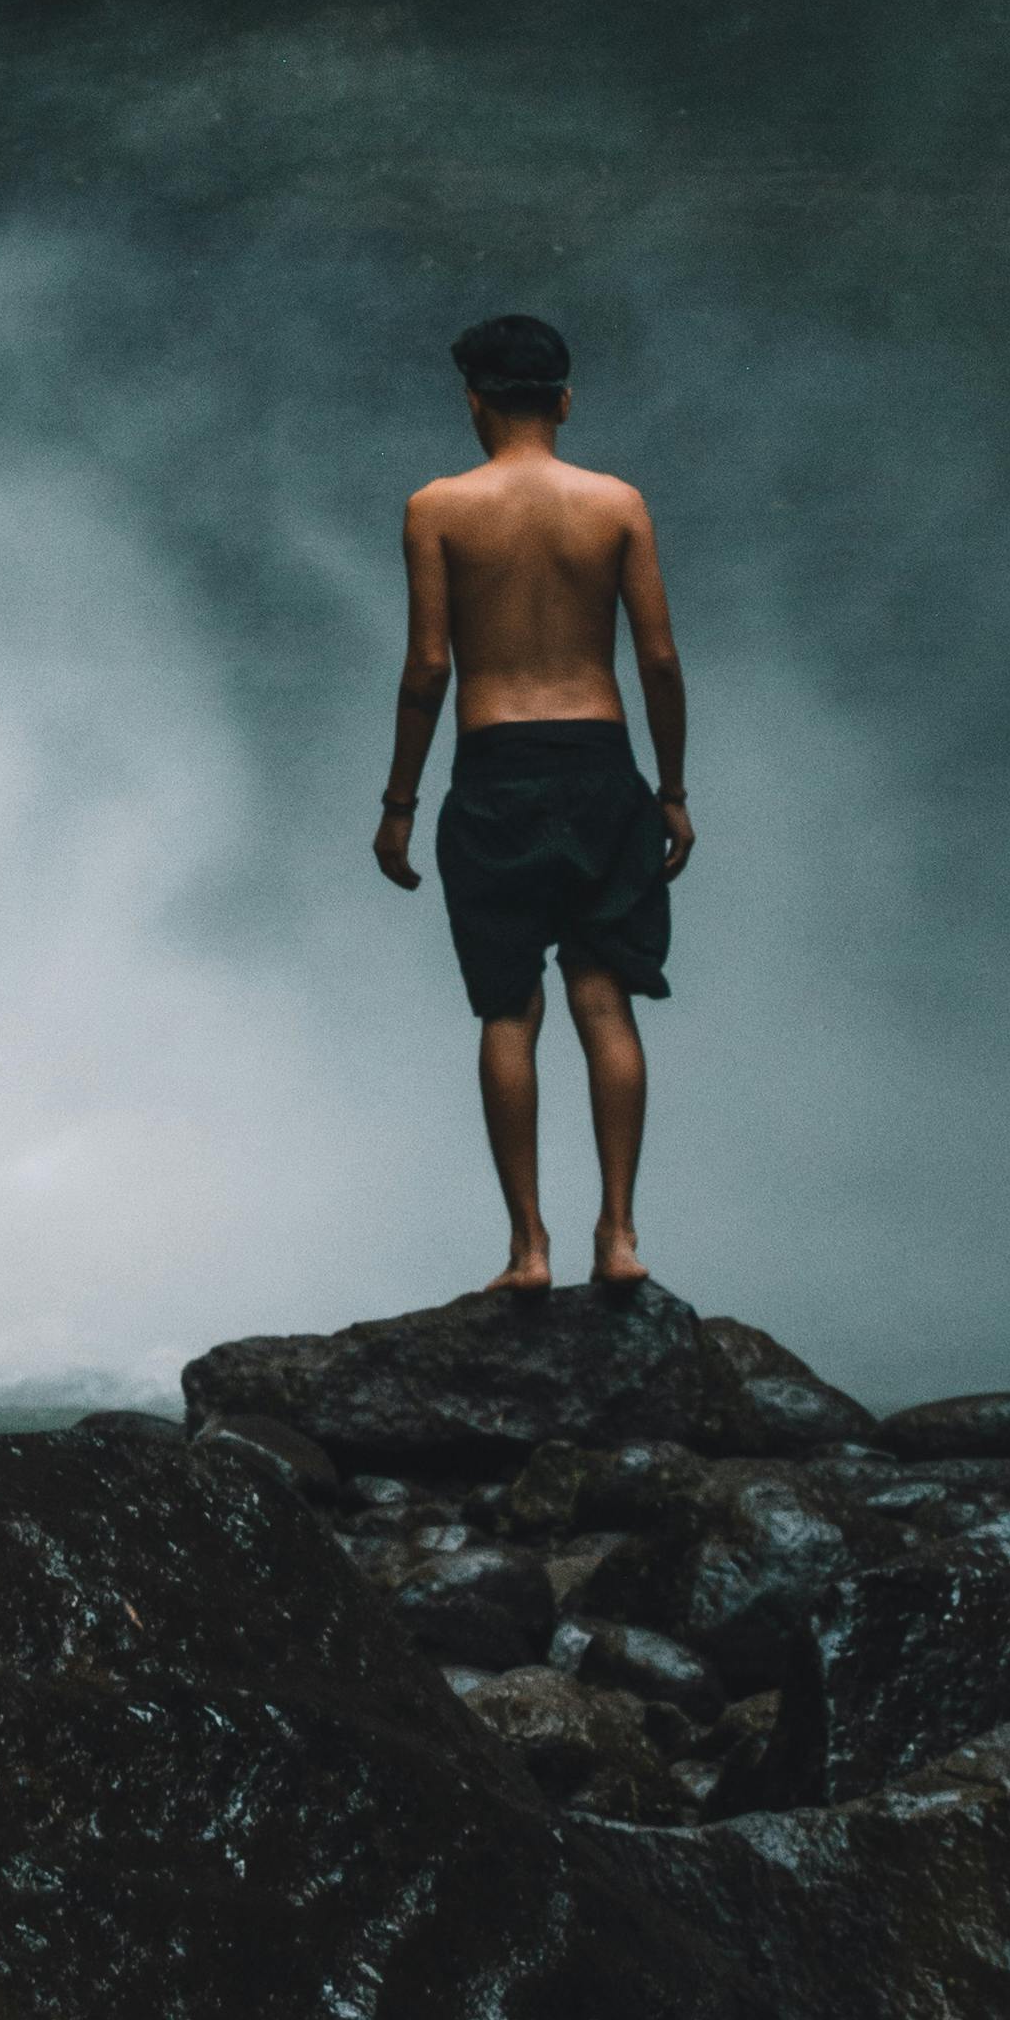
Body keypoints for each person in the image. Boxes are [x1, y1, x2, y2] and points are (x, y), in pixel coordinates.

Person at [373, 313, 693, 1293]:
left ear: (471, 399)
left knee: (508, 1010)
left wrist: (398, 798)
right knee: (603, 998)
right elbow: (656, 657)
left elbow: (429, 663)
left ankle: (527, 1248)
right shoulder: (616, 503)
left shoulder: (435, 506)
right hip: (599, 760)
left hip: (494, 763)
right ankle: (621, 1236)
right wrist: (671, 788)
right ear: (563, 399)